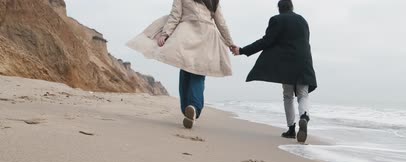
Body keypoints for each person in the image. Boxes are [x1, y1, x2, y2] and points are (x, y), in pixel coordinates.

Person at [127, 0, 235, 129]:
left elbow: (175, 15)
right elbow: (221, 23)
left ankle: (186, 109)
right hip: (207, 35)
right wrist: (230, 43)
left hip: (187, 32)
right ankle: (194, 107)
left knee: (185, 71)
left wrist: (165, 33)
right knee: (198, 74)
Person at [232, 0, 317, 143]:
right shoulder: (303, 20)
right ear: (292, 7)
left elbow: (266, 41)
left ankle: (291, 129)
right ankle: (304, 116)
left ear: (279, 9)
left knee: (288, 95)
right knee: (303, 94)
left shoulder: (277, 19)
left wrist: (242, 50)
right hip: (304, 60)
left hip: (287, 63)